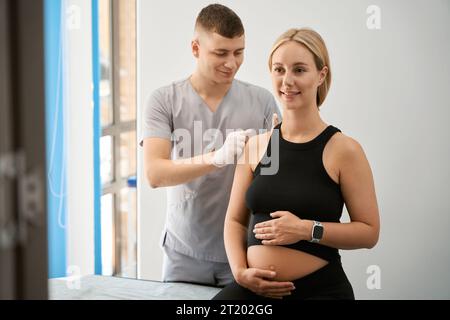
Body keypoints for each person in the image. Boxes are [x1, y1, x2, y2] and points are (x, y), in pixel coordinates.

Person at [213, 28, 380, 300]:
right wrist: (241, 272)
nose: (287, 81)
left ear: (321, 75)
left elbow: (369, 232)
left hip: (320, 290)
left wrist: (306, 229)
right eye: (279, 69)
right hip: (254, 290)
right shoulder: (256, 146)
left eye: (299, 70)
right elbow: (233, 220)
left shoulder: (343, 149)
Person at [141, 4, 281, 287]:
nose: (231, 62)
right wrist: (217, 157)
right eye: (221, 53)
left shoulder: (262, 101)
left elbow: (276, 178)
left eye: (238, 52)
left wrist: (280, 150)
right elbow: (155, 174)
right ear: (195, 48)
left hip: (243, 253)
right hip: (184, 254)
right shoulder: (163, 101)